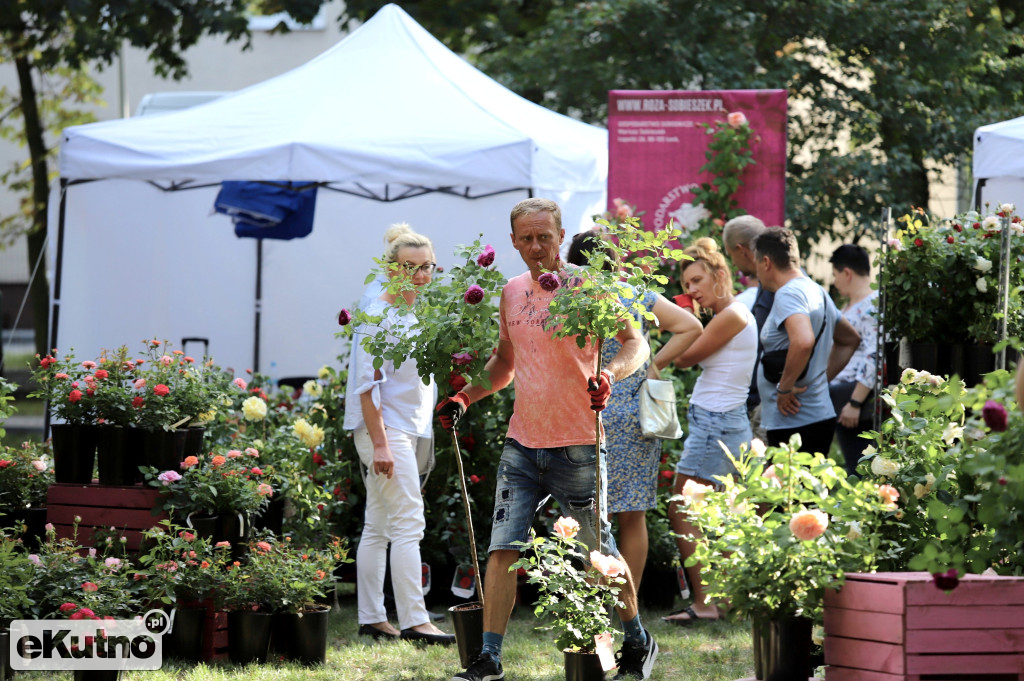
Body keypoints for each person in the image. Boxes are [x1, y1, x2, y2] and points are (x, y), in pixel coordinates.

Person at [437, 198, 658, 681]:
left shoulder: (587, 287)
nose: (537, 247)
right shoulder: (512, 292)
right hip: (522, 442)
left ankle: (637, 639)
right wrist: (465, 397)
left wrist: (612, 376)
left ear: (561, 237)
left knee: (597, 555)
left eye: (545, 237)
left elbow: (635, 341)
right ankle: (489, 658)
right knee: (502, 550)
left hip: (578, 441)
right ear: (513, 241)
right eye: (527, 238)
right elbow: (504, 362)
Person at [565, 230, 703, 590]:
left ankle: (594, 598)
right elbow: (691, 326)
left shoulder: (568, 298)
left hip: (586, 412)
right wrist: (652, 365)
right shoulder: (632, 293)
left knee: (589, 516)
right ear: (615, 261)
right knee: (632, 515)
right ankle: (630, 602)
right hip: (634, 417)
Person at [343, 223, 455, 645]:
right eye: (410, 267)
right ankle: (415, 621)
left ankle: (373, 617)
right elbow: (367, 388)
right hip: (386, 432)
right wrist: (383, 445)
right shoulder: (378, 316)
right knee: (409, 522)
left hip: (403, 429)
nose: (421, 275)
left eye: (427, 267)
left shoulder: (410, 313)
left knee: (379, 524)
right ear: (391, 269)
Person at [661, 238, 758, 625]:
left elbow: (684, 357)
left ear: (721, 275)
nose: (692, 290)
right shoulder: (729, 314)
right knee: (715, 514)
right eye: (687, 285)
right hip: (721, 419)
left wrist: (669, 342)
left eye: (698, 280)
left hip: (716, 420)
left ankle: (705, 603)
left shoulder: (732, 315)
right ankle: (726, 600)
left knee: (681, 508)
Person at [753, 227, 861, 455]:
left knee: (786, 490)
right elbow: (849, 340)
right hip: (815, 416)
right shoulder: (817, 291)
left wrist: (784, 388)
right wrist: (819, 379)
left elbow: (803, 341)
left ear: (765, 262)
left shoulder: (788, 293)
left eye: (756, 266)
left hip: (794, 423)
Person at [827, 244, 879, 476]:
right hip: (842, 398)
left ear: (846, 273)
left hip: (855, 400)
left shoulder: (872, 306)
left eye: (835, 274)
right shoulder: (851, 306)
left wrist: (856, 402)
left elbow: (874, 354)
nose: (835, 281)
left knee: (861, 470)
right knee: (853, 467)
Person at [722, 215, 772, 438]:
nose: (733, 264)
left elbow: (801, 340)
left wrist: (789, 386)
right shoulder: (767, 282)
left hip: (768, 400)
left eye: (731, 255)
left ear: (742, 250)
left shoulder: (776, 285)